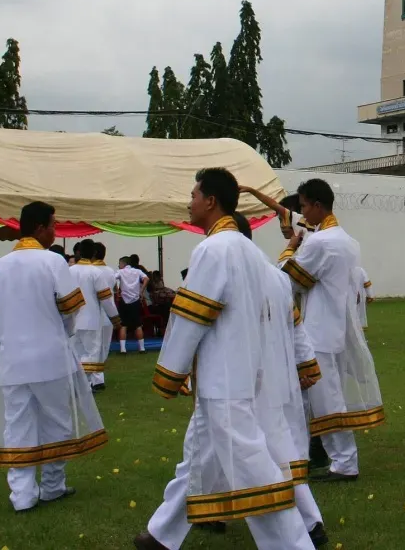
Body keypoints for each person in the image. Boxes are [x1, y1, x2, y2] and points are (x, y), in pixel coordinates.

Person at [135, 168, 314, 550]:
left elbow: (190, 316)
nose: (189, 202)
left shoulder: (214, 249)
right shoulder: (251, 252)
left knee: (255, 471)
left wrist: (169, 374)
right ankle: (162, 535)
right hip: (240, 377)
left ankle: (298, 542)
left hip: (225, 380)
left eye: (194, 194)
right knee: (198, 458)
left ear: (211, 201)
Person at [0, 201, 106, 512]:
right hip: (50, 355)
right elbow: (71, 309)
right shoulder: (52, 262)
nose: (56, 231)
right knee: (58, 420)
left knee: (18, 425)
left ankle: (22, 495)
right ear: (40, 227)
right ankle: (53, 485)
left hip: (11, 358)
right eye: (54, 225)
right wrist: (60, 331)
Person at [278, 179, 384, 482]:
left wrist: (287, 251)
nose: (302, 213)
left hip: (318, 330)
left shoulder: (320, 242)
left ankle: (344, 462)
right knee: (309, 398)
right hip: (334, 326)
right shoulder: (346, 240)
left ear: (317, 206)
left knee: (325, 400)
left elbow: (291, 280)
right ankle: (300, 458)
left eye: (304, 206)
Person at [236, 210, 330, 547]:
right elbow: (296, 326)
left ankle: (299, 525)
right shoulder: (274, 276)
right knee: (274, 448)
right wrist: (306, 365)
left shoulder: (229, 271)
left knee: (255, 452)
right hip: (271, 379)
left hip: (238, 381)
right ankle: (309, 521)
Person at [70, 240, 120, 392]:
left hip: (72, 319)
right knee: (92, 352)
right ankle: (85, 384)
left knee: (76, 352)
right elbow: (106, 299)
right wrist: (115, 318)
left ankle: (78, 384)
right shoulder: (95, 272)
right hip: (91, 319)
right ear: (93, 254)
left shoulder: (69, 271)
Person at [117, 254, 148, 353]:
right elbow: (146, 279)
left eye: (119, 264)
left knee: (123, 325)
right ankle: (142, 348)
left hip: (124, 300)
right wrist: (141, 290)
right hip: (135, 300)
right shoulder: (138, 271)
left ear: (123, 263)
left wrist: (116, 291)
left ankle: (123, 349)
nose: (118, 266)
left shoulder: (120, 272)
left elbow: (112, 279)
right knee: (138, 324)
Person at [350, 265, 373, 332]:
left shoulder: (339, 269)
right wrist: (370, 295)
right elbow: (367, 283)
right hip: (357, 296)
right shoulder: (360, 270)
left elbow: (367, 283)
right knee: (358, 312)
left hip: (346, 297)